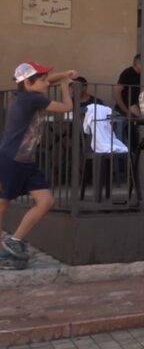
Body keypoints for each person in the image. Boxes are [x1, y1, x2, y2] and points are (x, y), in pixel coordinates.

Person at [0, 62, 78, 269]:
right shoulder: (32, 99)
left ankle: (13, 240)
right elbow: (67, 107)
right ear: (27, 82)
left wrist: (63, 73)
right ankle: (3, 250)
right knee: (2, 204)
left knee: (46, 201)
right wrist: (64, 86)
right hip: (11, 159)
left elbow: (44, 81)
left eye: (45, 79)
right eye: (42, 80)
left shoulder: (23, 94)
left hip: (26, 161)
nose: (46, 83)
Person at [113, 54, 141, 148]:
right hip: (122, 112)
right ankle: (121, 161)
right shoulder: (128, 73)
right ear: (137, 63)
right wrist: (125, 110)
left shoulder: (143, 75)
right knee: (120, 140)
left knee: (134, 140)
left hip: (134, 111)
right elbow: (117, 92)